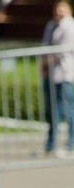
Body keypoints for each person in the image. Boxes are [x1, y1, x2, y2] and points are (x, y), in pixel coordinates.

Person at [41, 0, 74, 157]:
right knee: (52, 111)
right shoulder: (51, 25)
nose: (59, 11)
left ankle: (71, 143)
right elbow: (45, 45)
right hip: (51, 74)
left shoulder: (70, 26)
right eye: (57, 8)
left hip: (64, 73)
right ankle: (51, 143)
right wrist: (44, 64)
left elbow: (63, 50)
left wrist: (47, 61)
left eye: (63, 8)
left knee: (68, 110)